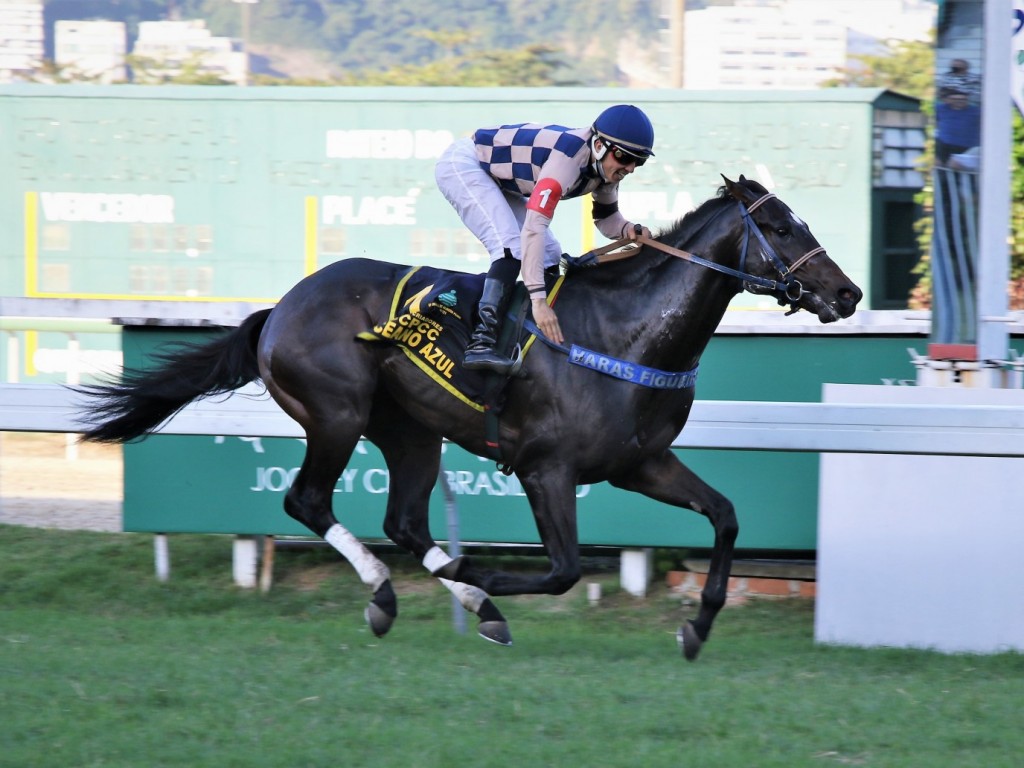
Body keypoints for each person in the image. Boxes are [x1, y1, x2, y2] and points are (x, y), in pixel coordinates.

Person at [435, 104, 655, 374]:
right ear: (599, 145)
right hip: (467, 164)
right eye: (624, 157)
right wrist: (538, 300)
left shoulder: (606, 170)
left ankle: (539, 334)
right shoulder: (566, 163)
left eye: (638, 161)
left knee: (551, 255)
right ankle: (481, 343)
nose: (630, 168)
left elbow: (607, 220)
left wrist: (629, 230)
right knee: (511, 248)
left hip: (499, 177)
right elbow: (533, 230)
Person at [934, 87, 981, 166]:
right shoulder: (941, 108)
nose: (959, 101)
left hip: (966, 146)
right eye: (955, 99)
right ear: (949, 99)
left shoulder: (976, 111)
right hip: (944, 145)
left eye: (962, 99)